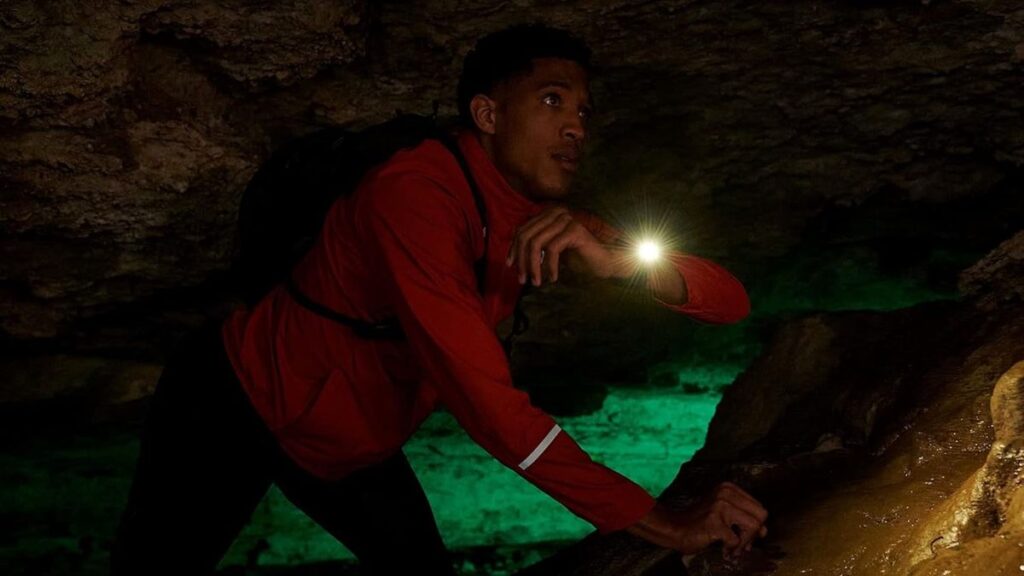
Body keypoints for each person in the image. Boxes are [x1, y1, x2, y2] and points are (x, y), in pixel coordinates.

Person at [112, 24, 766, 575]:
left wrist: (622, 263)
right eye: (552, 101)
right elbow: (492, 412)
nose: (575, 127)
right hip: (235, 402)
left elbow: (730, 303)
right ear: (488, 115)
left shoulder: (539, 216)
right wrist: (667, 524)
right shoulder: (414, 196)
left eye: (582, 111)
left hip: (350, 439)